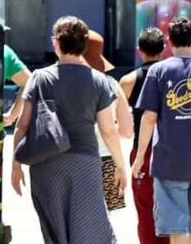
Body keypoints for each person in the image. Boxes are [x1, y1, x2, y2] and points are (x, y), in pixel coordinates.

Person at [10, 16, 128, 244]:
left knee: (54, 230)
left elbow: (22, 125)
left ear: (56, 43)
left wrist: (16, 165)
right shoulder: (100, 81)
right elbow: (108, 130)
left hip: (45, 163)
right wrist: (120, 166)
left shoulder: (39, 78)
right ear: (84, 44)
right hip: (85, 163)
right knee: (90, 229)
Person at [132, 16, 191, 244]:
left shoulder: (158, 71)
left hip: (168, 163)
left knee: (176, 228)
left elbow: (149, 117)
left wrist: (139, 158)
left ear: (169, 40)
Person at [119, 27, 170, 244]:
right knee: (171, 206)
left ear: (139, 50)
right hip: (172, 149)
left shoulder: (128, 81)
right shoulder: (174, 76)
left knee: (145, 207)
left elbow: (121, 121)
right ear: (164, 48)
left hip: (143, 149)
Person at [84, 30, 133, 212]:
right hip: (107, 159)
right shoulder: (112, 83)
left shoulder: (61, 81)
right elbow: (127, 131)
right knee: (104, 219)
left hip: (73, 159)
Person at [2, 44, 32, 127]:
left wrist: (12, 115)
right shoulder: (4, 51)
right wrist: (12, 116)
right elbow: (30, 83)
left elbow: (29, 83)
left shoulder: (4, 51)